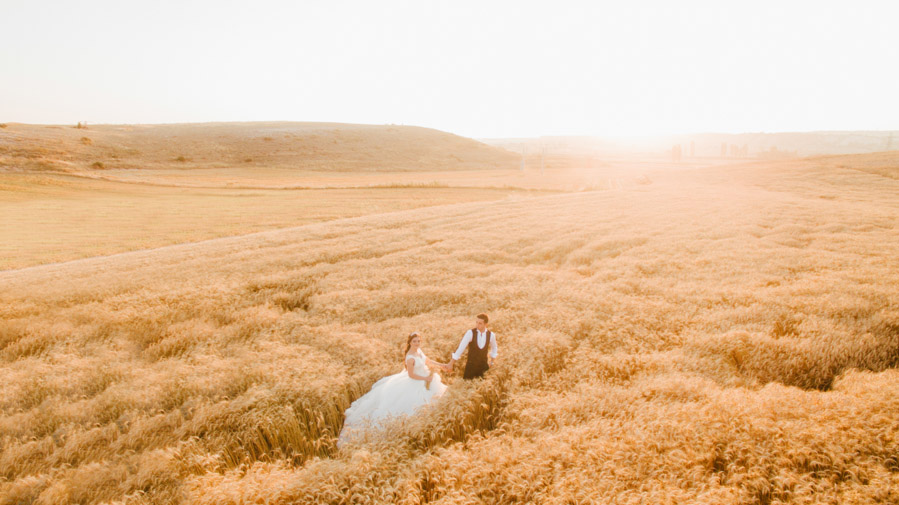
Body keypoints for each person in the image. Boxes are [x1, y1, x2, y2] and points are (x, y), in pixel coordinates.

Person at [338, 332, 449, 447]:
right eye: (414, 341)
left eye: (418, 341)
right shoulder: (410, 357)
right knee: (414, 406)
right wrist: (426, 378)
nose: (417, 343)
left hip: (427, 378)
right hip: (416, 381)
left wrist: (442, 365)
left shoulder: (419, 351)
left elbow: (428, 361)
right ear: (410, 342)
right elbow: (411, 375)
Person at [445, 313, 498, 380]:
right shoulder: (470, 333)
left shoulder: (491, 335)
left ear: (486, 324)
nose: (477, 325)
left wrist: (492, 362)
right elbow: (461, 348)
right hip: (471, 368)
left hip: (483, 368)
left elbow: (494, 347)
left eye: (480, 323)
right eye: (476, 322)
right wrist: (451, 363)